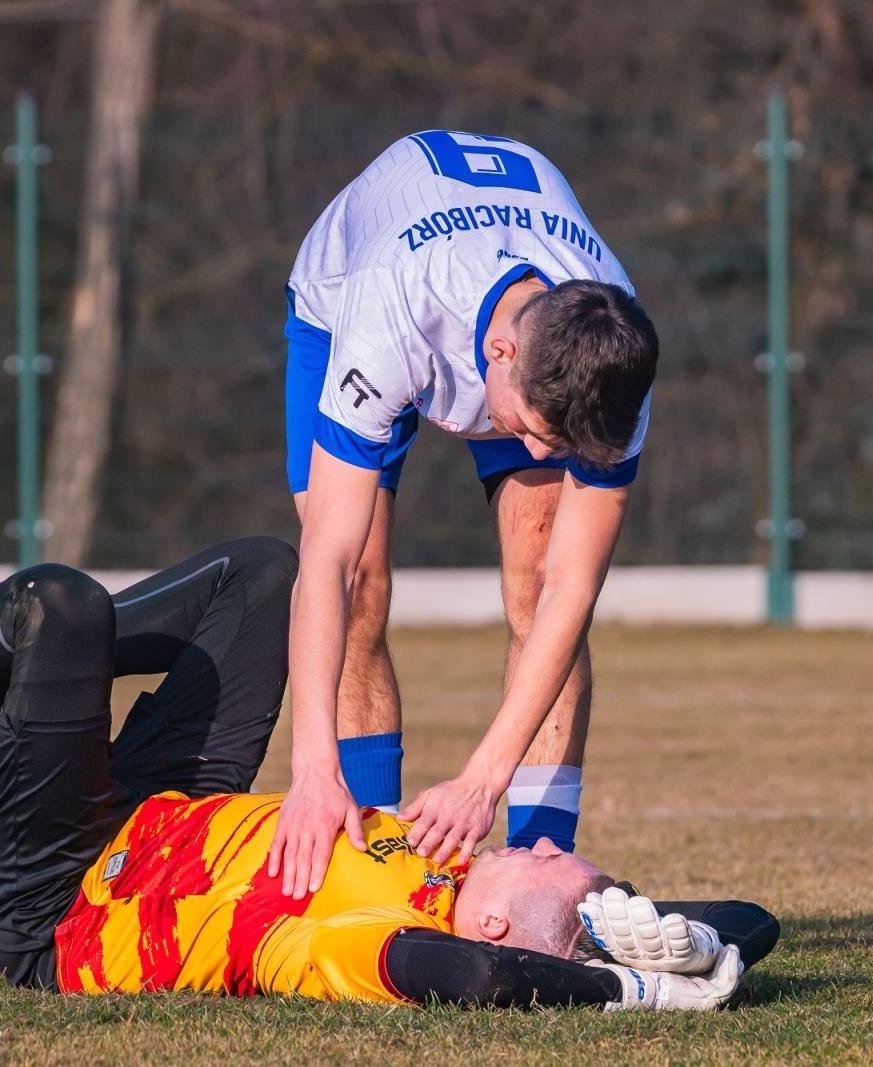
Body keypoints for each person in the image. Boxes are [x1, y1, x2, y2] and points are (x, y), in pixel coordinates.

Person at [0, 539, 778, 1008]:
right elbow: (750, 919)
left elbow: (472, 975)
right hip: (177, 805)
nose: (552, 840)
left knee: (60, 606)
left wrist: (620, 989)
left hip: (61, 897)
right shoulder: (462, 873)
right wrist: (655, 934)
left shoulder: (384, 939)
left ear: (507, 924)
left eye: (567, 869)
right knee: (268, 575)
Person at [277, 130, 660, 898]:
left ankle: (541, 861)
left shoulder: (614, 359)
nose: (527, 446)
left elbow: (569, 592)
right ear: (502, 353)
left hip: (511, 306)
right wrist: (310, 769)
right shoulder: (391, 312)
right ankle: (374, 859)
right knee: (363, 587)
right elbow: (328, 558)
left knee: (535, 580)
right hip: (342, 296)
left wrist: (483, 780)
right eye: (526, 427)